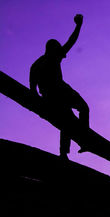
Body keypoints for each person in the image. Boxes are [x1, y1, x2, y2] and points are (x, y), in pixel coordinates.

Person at [30, 14, 89, 160]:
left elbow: (32, 86)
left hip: (55, 93)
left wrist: (38, 97)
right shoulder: (48, 59)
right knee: (74, 114)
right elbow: (71, 42)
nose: (62, 54)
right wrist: (78, 25)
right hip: (57, 93)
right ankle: (76, 145)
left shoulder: (37, 63)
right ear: (52, 49)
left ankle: (70, 149)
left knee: (70, 118)